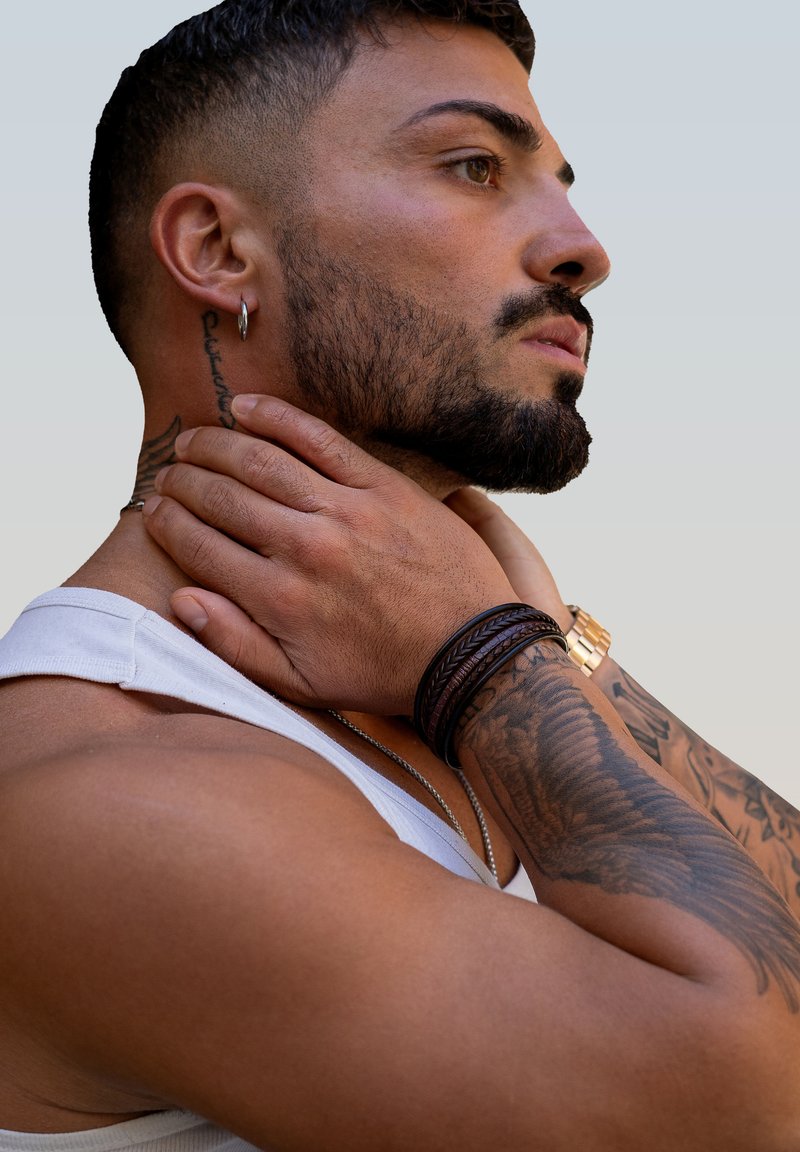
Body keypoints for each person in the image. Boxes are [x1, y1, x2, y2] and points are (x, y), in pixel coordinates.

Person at [0, 1, 798, 1148]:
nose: (582, 247)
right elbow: (740, 1113)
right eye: (474, 167)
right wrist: (488, 656)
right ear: (219, 252)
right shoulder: (107, 788)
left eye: (561, 182)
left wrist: (524, 636)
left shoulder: (454, 643)